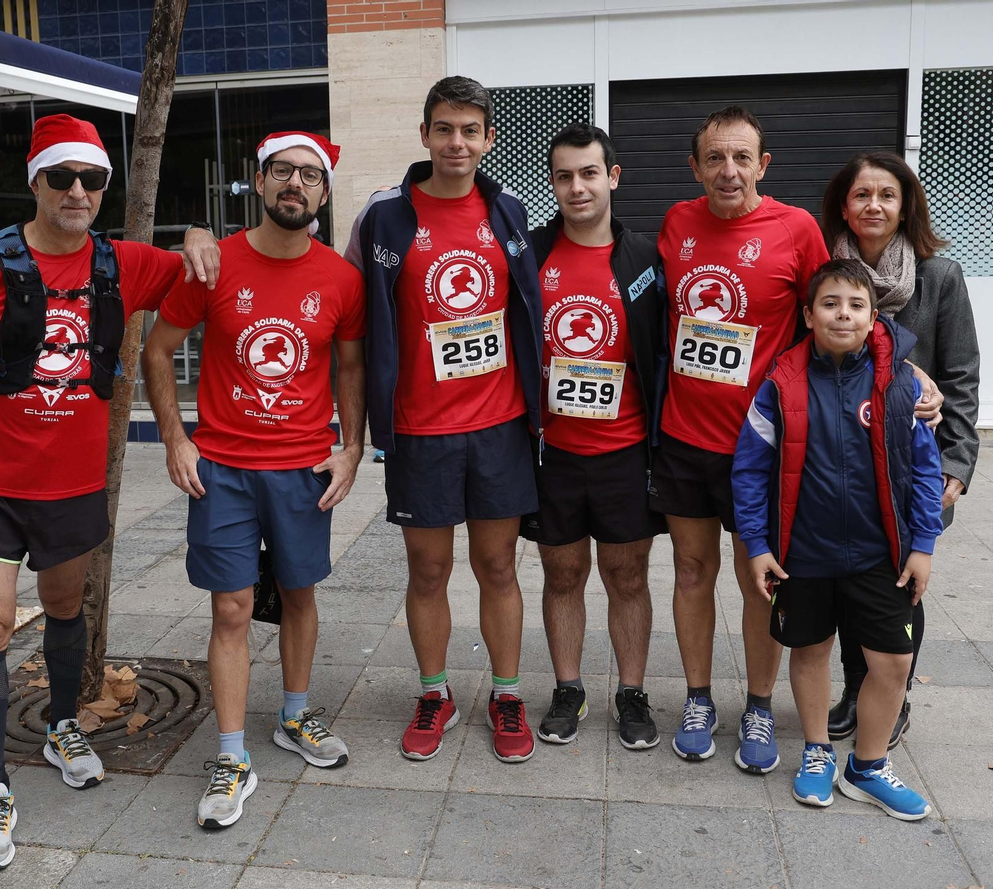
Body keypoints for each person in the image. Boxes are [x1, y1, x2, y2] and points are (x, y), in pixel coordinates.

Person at [0, 114, 220, 872]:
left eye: (92, 179)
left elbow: (197, 271)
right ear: (34, 181)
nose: (77, 191)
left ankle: (64, 724)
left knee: (66, 607)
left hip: (72, 486)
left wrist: (198, 227)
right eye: (60, 176)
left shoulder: (122, 264)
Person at [652, 107, 945, 775]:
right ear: (696, 167)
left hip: (775, 443)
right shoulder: (676, 224)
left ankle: (758, 702)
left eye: (742, 157)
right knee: (692, 572)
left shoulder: (796, 228)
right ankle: (699, 698)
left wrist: (900, 363)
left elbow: (840, 303)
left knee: (764, 581)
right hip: (686, 437)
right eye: (715, 159)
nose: (730, 170)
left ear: (763, 164)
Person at [142, 130, 366, 830]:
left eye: (308, 175)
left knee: (298, 594)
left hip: (303, 466)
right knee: (232, 608)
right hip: (226, 469)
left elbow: (350, 368)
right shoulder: (214, 263)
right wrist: (176, 438)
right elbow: (157, 349)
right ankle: (232, 754)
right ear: (260, 183)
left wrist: (351, 448)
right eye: (282, 172)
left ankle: (295, 716)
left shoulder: (341, 278)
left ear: (323, 193)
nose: (294, 184)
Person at [346, 76, 544, 764]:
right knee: (427, 570)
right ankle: (435, 693)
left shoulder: (511, 209)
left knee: (498, 565)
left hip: (500, 423)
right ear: (424, 134)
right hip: (420, 428)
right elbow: (350, 309)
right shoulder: (384, 215)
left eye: (470, 130)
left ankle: (508, 693)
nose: (456, 142)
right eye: (444, 128)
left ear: (489, 138)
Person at [732, 259, 943, 821]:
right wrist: (756, 544)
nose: (842, 314)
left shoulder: (900, 383)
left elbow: (925, 471)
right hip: (805, 553)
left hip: (881, 556)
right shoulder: (781, 383)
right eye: (829, 304)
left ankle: (867, 766)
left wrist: (923, 544)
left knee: (893, 661)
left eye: (855, 305)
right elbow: (750, 471)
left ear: (874, 316)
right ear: (808, 314)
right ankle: (819, 751)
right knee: (810, 652)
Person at [820, 151, 980, 747]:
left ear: (904, 204)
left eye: (887, 195)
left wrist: (958, 465)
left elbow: (962, 375)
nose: (874, 206)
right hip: (841, 458)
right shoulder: (824, 275)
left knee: (900, 581)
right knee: (845, 577)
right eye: (862, 195)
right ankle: (856, 687)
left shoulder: (939, 276)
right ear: (844, 205)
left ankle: (893, 696)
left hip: (916, 461)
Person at [522, 124, 665, 749]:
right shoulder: (528, 257)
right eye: (563, 176)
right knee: (561, 573)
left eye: (588, 173)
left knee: (627, 576)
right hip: (553, 454)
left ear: (613, 176)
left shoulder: (645, 260)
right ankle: (568, 687)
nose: (576, 187)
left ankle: (632, 694)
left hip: (625, 451)